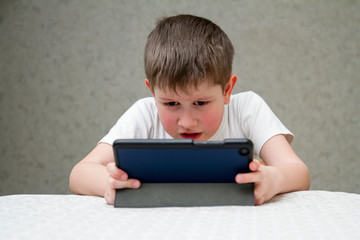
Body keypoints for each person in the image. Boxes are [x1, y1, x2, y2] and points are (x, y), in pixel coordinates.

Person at [69, 14, 310, 205]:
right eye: (171, 104)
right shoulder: (144, 113)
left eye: (201, 103)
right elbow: (79, 174)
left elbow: (299, 172)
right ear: (153, 93)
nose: (186, 122)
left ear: (227, 90)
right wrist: (108, 183)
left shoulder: (247, 108)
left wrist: (274, 179)